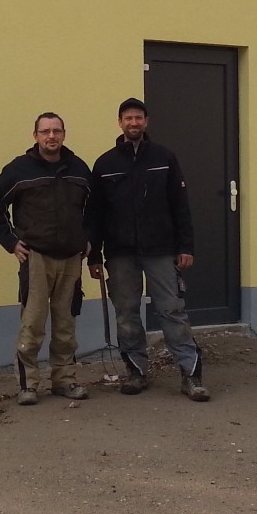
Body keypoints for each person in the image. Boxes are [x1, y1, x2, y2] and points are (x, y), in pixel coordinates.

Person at [89, 98, 210, 401]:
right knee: (127, 314)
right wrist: (94, 256)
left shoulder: (164, 158)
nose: (133, 123)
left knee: (172, 310)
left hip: (161, 250)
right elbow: (95, 215)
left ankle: (191, 375)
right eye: (128, 118)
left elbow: (180, 206)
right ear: (119, 122)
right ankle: (135, 372)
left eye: (139, 118)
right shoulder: (104, 164)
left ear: (146, 122)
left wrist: (186, 246)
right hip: (120, 254)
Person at [0, 112, 95, 406]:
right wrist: (10, 243)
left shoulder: (79, 168)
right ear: (35, 135)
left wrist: (88, 239)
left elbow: (95, 209)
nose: (51, 137)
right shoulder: (19, 170)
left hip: (71, 258)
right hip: (35, 257)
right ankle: (28, 385)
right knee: (33, 323)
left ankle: (64, 380)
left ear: (64, 134)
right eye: (45, 131)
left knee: (65, 323)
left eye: (56, 131)